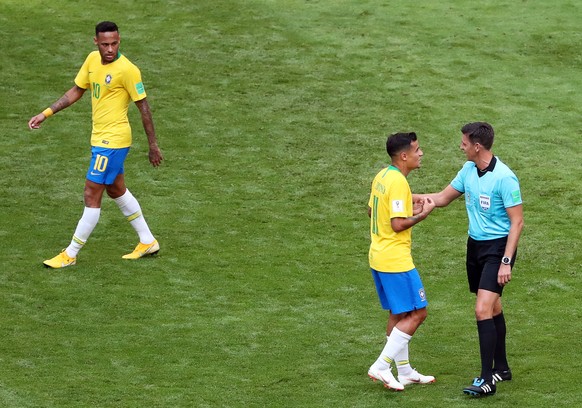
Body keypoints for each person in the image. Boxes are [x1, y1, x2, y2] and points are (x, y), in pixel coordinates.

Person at [28, 21, 163, 268]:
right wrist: (46, 113)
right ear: (96, 43)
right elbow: (76, 91)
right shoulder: (92, 60)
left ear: (119, 41)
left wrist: (153, 145)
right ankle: (147, 241)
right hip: (99, 138)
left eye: (114, 43)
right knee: (115, 189)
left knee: (92, 191)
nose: (110, 49)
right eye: (105, 44)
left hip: (113, 141)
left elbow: (143, 106)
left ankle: (70, 253)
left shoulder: (128, 70)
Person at [420, 122, 523, 397]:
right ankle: (502, 368)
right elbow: (441, 199)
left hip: (497, 249)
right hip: (475, 247)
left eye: (464, 142)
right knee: (494, 307)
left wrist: (505, 261)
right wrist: (404, 196)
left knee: (481, 310)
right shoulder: (468, 170)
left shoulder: (505, 178)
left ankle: (487, 379)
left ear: (477, 146)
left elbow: (517, 222)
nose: (461, 146)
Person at [366, 132, 437, 391]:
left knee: (399, 313)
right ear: (404, 155)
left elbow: (374, 210)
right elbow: (397, 224)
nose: (421, 154)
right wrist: (423, 214)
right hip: (396, 260)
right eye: (417, 150)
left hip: (378, 255)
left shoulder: (382, 176)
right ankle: (382, 365)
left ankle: (405, 370)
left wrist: (410, 206)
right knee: (419, 312)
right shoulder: (398, 183)